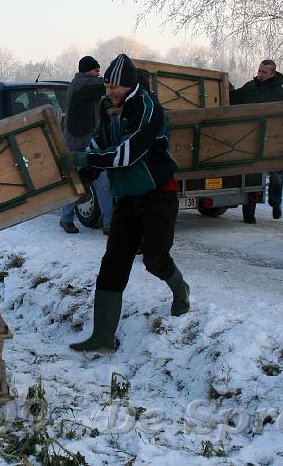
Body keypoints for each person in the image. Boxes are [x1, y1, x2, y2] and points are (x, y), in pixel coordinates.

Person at [67, 54, 190, 352]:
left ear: (130, 86)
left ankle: (180, 290)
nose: (109, 92)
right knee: (113, 262)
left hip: (158, 193)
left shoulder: (148, 109)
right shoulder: (109, 108)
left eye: (115, 87)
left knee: (154, 259)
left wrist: (85, 157)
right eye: (108, 86)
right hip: (127, 197)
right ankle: (103, 337)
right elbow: (99, 143)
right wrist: (82, 171)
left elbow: (127, 154)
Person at [230, 60, 283, 223]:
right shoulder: (250, 87)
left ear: (272, 73)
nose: (260, 74)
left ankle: (275, 202)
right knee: (251, 175)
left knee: (276, 174)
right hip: (250, 137)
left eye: (264, 72)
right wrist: (226, 88)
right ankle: (249, 213)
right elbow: (234, 98)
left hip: (272, 138)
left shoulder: (279, 93)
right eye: (259, 71)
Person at [59, 55, 112, 234]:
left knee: (96, 181)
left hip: (86, 141)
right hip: (78, 143)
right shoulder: (82, 84)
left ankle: (108, 223)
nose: (99, 73)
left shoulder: (85, 85)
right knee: (79, 182)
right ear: (87, 70)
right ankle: (67, 219)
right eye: (96, 70)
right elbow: (105, 86)